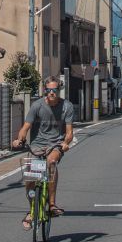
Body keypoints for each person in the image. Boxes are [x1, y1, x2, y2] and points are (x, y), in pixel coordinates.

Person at [12, 79, 74, 226]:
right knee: (30, 180)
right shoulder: (37, 105)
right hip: (37, 145)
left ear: (59, 90)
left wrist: (66, 143)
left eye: (55, 90)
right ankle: (32, 210)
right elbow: (25, 127)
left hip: (55, 144)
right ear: (44, 91)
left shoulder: (67, 106)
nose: (52, 93)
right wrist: (19, 140)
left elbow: (69, 131)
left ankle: (52, 205)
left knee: (51, 162)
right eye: (48, 90)